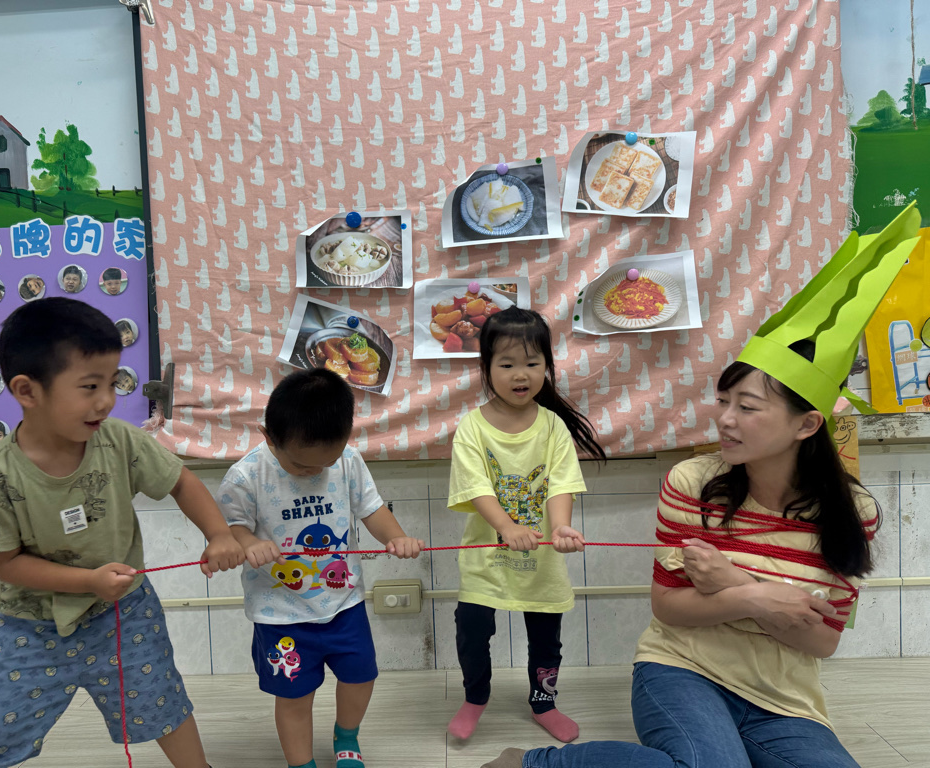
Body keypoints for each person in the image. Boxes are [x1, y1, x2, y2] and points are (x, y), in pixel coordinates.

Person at [481, 201, 925, 768]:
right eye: (723, 401)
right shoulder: (692, 482)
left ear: (807, 424)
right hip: (681, 670)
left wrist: (735, 582)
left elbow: (823, 639)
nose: (725, 420)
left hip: (784, 698)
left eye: (748, 407)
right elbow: (670, 608)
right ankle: (532, 763)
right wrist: (765, 598)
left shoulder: (853, 510)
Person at [0, 296, 245, 768]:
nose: (106, 400)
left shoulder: (120, 440)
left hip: (124, 613)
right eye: (89, 386)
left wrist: (219, 533)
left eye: (112, 382)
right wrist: (87, 581)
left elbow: (181, 481)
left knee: (163, 706)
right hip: (29, 628)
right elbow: (3, 563)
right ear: (27, 391)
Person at [216, 368, 425, 768]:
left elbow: (372, 509)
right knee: (294, 697)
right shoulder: (245, 477)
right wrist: (249, 543)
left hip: (343, 603)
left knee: (361, 676)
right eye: (300, 465)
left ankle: (346, 736)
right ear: (269, 437)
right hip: (281, 613)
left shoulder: (347, 461)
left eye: (326, 462)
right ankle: (302, 763)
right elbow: (230, 529)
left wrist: (396, 536)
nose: (314, 472)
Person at [447, 307, 606, 744]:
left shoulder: (553, 426)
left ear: (547, 367)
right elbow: (476, 487)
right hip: (485, 558)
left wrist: (561, 528)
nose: (522, 374)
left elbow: (561, 484)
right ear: (486, 368)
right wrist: (507, 526)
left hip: (543, 562)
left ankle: (543, 702)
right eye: (507, 364)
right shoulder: (472, 428)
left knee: (546, 640)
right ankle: (475, 697)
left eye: (533, 363)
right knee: (471, 631)